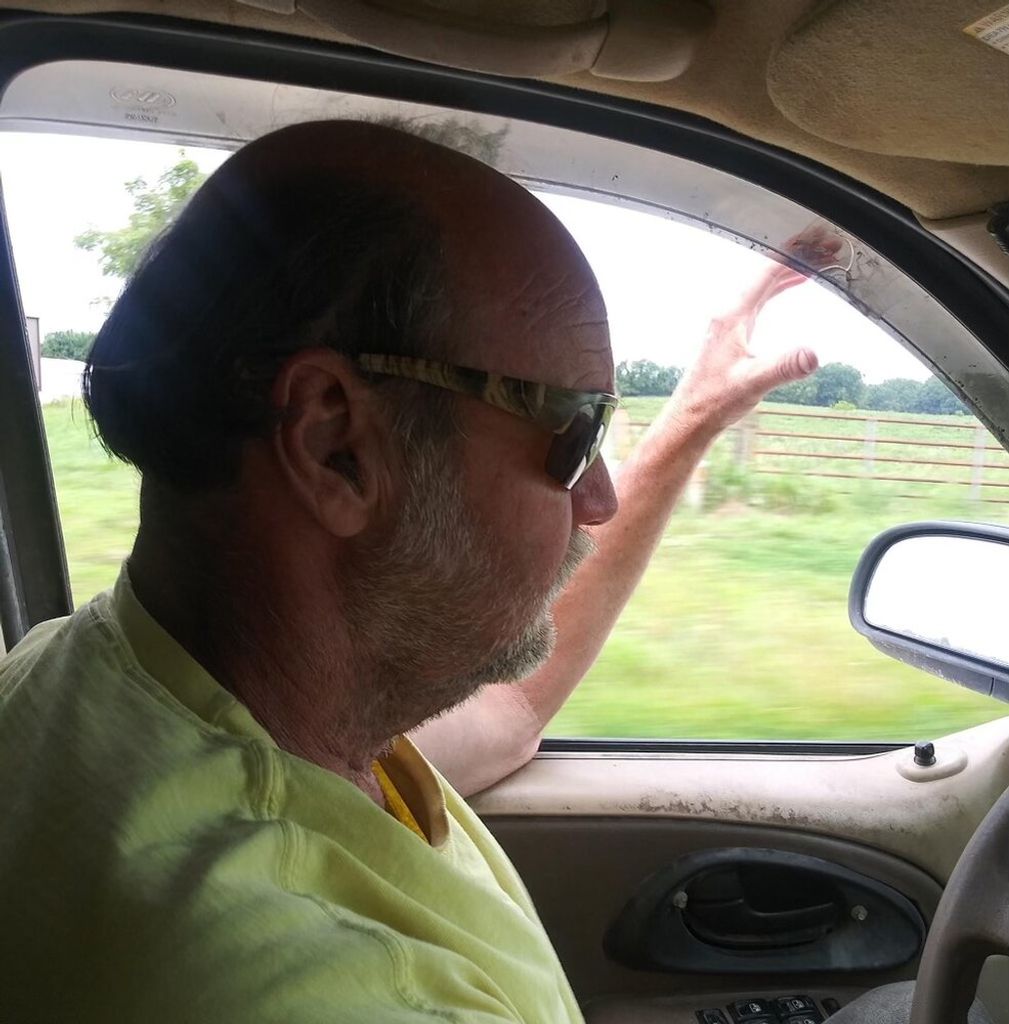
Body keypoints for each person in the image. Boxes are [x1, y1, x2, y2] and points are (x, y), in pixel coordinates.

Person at [0, 121, 822, 1022]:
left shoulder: (99, 680)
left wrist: (694, 416)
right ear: (335, 444)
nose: (598, 501)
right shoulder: (319, 986)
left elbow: (509, 716)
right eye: (577, 430)